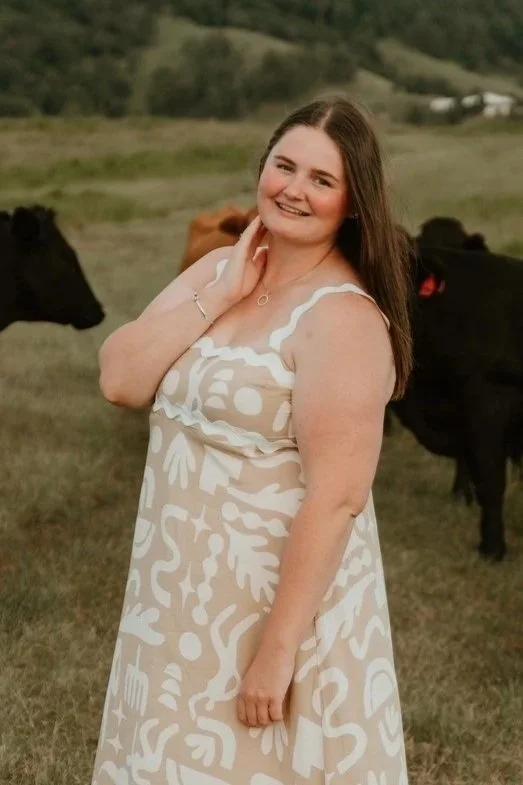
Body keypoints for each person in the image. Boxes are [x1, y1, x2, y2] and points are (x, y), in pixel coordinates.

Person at [91, 95, 412, 785]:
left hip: (270, 607)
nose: (293, 189)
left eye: (321, 180)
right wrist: (222, 290)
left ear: (352, 204)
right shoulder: (219, 271)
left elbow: (336, 499)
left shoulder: (344, 320)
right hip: (175, 593)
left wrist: (277, 649)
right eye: (283, 165)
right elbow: (120, 378)